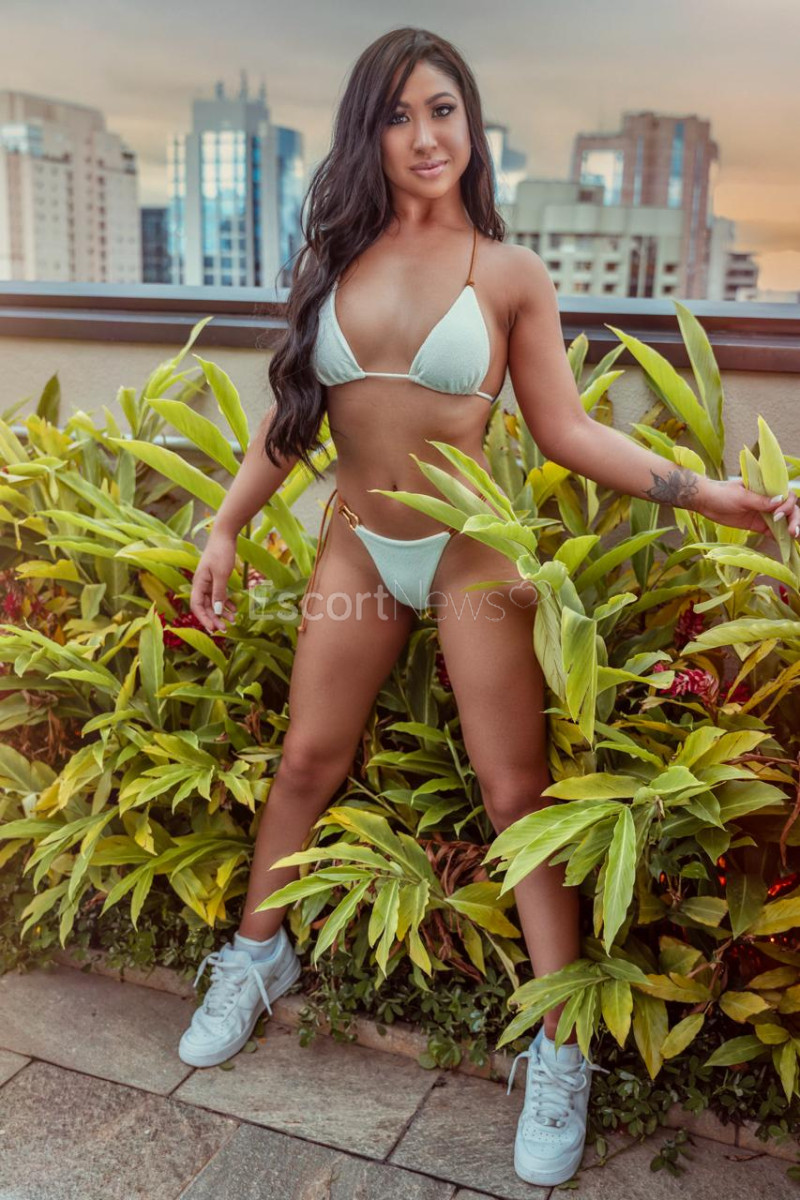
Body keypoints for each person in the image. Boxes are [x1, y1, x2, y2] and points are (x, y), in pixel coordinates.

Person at [179, 27, 800, 1188]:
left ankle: (559, 1046)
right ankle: (256, 956)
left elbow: (564, 430)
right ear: (367, 134)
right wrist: (224, 525)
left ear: (470, 125)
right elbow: (289, 417)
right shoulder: (333, 255)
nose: (424, 136)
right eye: (398, 115)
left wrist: (705, 495)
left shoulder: (508, 274)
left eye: (443, 110)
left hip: (470, 555)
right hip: (357, 550)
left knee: (517, 795)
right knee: (306, 759)